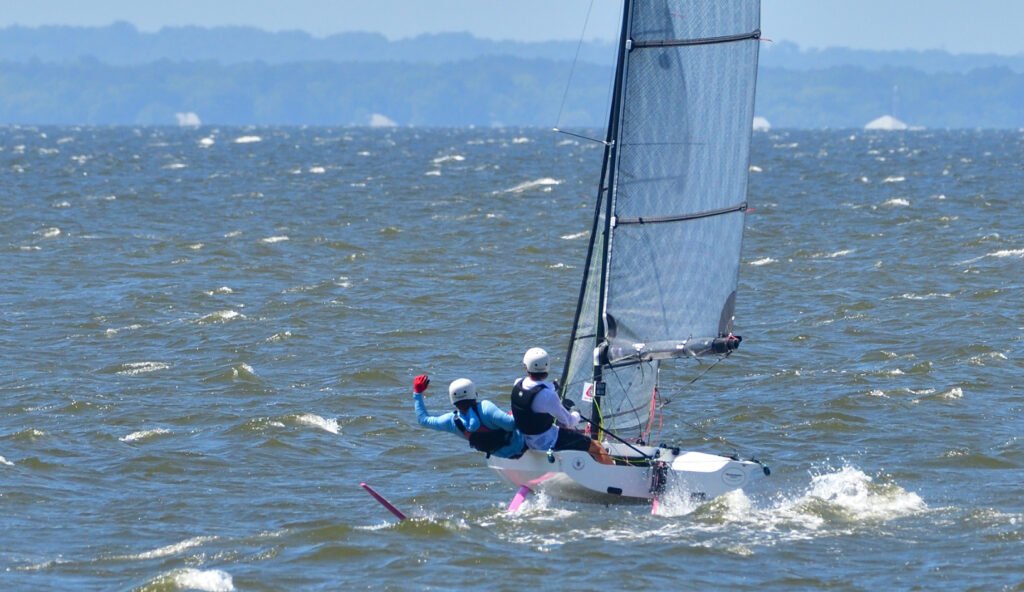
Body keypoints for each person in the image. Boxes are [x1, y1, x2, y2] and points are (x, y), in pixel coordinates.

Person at [510, 348, 612, 465]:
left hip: (526, 440)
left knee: (563, 429)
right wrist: (576, 413)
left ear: (526, 366)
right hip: (548, 441)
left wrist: (552, 387)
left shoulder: (517, 383)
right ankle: (615, 476)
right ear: (547, 367)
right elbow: (569, 421)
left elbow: (534, 390)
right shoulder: (548, 395)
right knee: (597, 447)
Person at [411, 374, 526, 459]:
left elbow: (423, 420)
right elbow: (512, 425)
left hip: (502, 456)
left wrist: (417, 393)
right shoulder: (486, 408)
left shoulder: (451, 421)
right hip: (522, 447)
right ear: (474, 394)